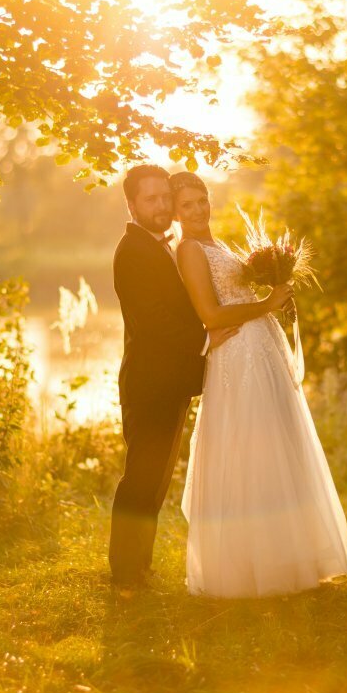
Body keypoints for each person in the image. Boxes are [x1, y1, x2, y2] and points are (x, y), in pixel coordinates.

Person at [171, 170, 347, 598]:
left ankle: (292, 558)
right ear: (177, 214)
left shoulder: (217, 245)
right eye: (187, 206)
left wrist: (275, 292)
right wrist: (265, 303)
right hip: (236, 359)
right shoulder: (190, 250)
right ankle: (250, 568)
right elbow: (211, 316)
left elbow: (239, 298)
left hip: (261, 349)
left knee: (277, 447)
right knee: (249, 451)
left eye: (201, 200)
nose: (197, 211)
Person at [108, 164, 241, 588]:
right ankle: (126, 571)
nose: (162, 206)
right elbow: (153, 320)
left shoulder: (162, 245)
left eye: (165, 198)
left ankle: (138, 566)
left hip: (169, 381)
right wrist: (206, 338)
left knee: (157, 477)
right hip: (149, 384)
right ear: (131, 204)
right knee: (143, 477)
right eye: (151, 199)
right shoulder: (132, 251)